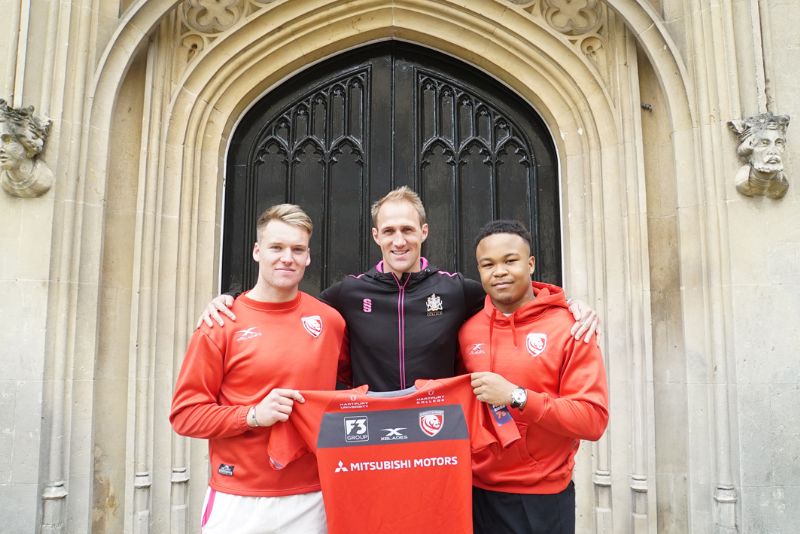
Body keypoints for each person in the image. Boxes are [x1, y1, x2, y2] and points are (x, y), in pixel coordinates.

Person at [199, 187, 599, 392]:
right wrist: (231, 302)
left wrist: (569, 304)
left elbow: (514, 295)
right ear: (376, 236)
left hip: (438, 430)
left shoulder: (457, 289)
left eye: (408, 229)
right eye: (389, 231)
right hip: (371, 431)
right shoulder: (347, 294)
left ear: (424, 232)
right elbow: (288, 307)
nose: (399, 240)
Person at [170, 204, 347, 534]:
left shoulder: (330, 321)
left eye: (297, 249)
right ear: (257, 251)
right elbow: (185, 415)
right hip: (238, 499)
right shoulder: (220, 324)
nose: (287, 258)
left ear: (308, 257)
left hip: (311, 496)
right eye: (276, 248)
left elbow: (350, 390)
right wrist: (251, 415)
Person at [460, 220, 609, 534]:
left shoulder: (571, 327)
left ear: (531, 264)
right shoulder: (466, 327)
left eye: (510, 260)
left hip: (539, 496)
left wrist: (517, 396)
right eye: (488, 264)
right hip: (473, 491)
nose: (499, 271)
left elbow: (593, 420)